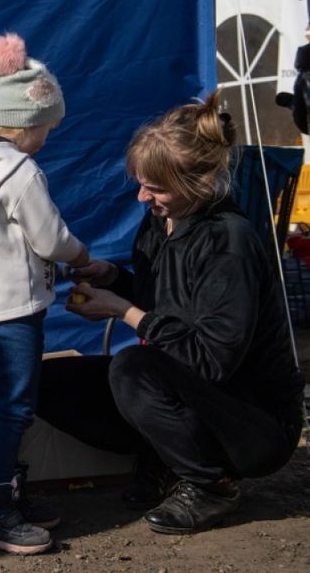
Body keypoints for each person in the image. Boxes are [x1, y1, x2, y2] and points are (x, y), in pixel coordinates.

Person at [39, 93, 304, 535]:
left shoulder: (227, 242)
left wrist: (123, 311)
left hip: (253, 419)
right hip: (193, 388)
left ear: (197, 183)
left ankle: (211, 485)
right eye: (141, 183)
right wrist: (112, 279)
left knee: (133, 368)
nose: (143, 196)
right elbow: (163, 299)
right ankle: (167, 459)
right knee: (44, 384)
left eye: (155, 187)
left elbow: (211, 360)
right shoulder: (162, 222)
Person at [0, 32, 92, 554]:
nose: (48, 138)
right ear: (27, 124)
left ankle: (5, 493)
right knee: (11, 408)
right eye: (48, 128)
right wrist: (81, 257)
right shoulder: (23, 172)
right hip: (17, 312)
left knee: (10, 404)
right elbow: (51, 239)